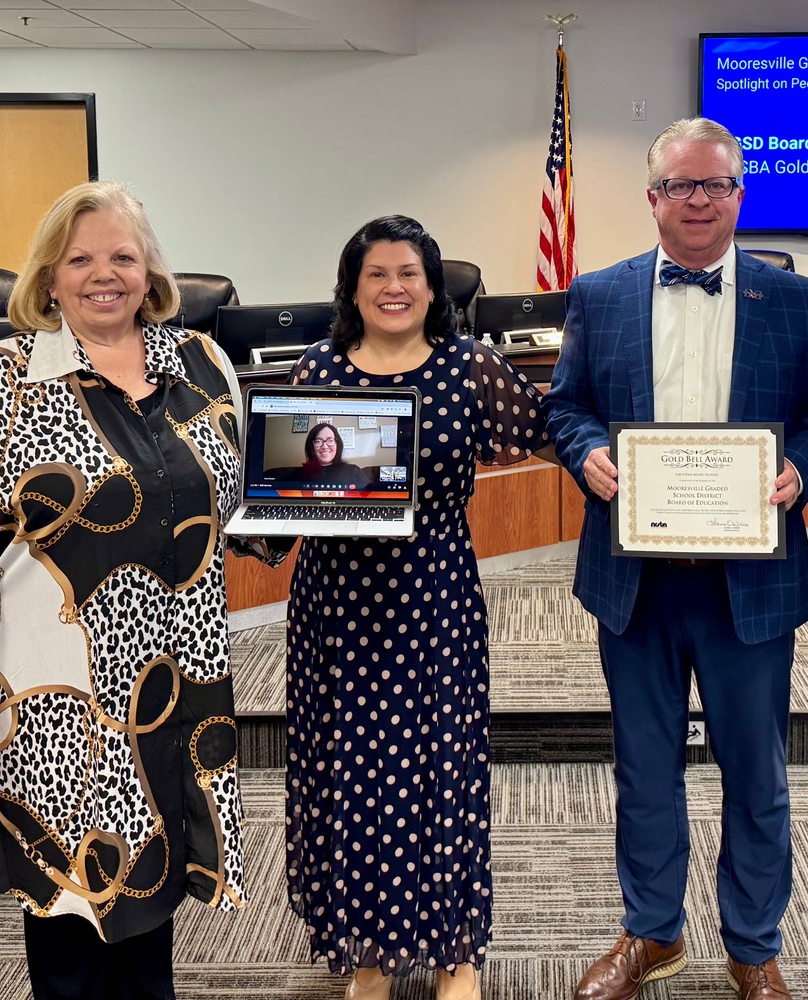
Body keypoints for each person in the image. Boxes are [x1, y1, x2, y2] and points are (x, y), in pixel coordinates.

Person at [0, 180, 263, 999]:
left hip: (176, 689)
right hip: (59, 697)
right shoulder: (4, 378)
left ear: (150, 273)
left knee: (152, 909)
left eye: (122, 257)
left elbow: (235, 509)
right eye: (81, 259)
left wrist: (331, 503)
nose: (103, 275)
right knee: (72, 921)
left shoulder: (203, 365)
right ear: (50, 276)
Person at [546, 118, 808, 1000]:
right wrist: (587, 453)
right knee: (644, 767)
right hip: (634, 581)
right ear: (651, 199)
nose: (697, 200)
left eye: (714, 185)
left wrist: (800, 466)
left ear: (739, 197)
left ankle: (754, 944)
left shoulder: (792, 300)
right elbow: (565, 407)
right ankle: (651, 933)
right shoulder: (598, 294)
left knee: (755, 770)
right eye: (680, 185)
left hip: (748, 582)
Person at [284, 215, 549, 1000]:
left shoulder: (472, 367)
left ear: (435, 288)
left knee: (441, 772)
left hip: (432, 600)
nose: (394, 288)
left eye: (410, 274)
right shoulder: (318, 368)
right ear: (353, 288)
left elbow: (548, 433)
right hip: (337, 606)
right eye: (377, 274)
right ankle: (368, 954)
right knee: (352, 776)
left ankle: (455, 955)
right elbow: (291, 485)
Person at [299, 421, 368, 487]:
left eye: (330, 440)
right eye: (318, 441)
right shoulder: (299, 474)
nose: (325, 447)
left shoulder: (354, 471)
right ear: (311, 446)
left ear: (337, 444)